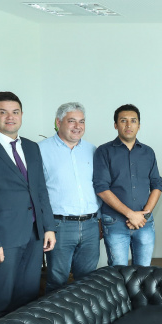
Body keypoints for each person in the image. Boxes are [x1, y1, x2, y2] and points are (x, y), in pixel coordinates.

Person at [0, 92, 56, 321]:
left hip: (34, 236)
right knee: (2, 299)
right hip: (2, 241)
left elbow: (41, 191)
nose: (10, 117)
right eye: (3, 112)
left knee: (29, 298)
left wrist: (49, 228)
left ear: (22, 115)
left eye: (15, 112)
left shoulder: (33, 148)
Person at [38, 102, 100, 293]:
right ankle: (55, 323)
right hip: (59, 227)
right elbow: (36, 192)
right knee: (57, 281)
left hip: (90, 226)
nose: (77, 126)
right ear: (58, 122)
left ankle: (86, 322)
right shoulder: (40, 150)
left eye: (81, 121)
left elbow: (100, 187)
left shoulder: (93, 150)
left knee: (88, 282)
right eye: (71, 121)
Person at [94, 104, 162, 267]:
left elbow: (157, 184)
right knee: (118, 274)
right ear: (115, 125)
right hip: (115, 222)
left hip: (144, 223)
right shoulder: (103, 151)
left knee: (143, 273)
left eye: (133, 121)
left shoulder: (148, 152)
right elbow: (102, 188)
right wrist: (131, 214)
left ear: (139, 125)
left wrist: (143, 215)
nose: (128, 125)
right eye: (123, 121)